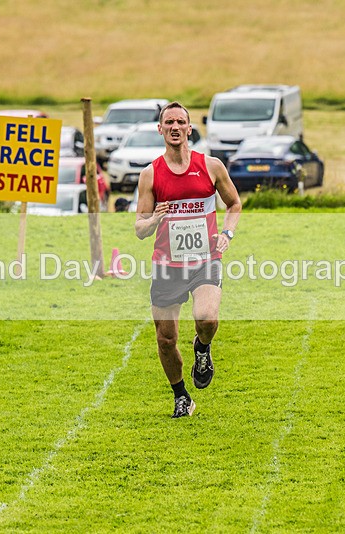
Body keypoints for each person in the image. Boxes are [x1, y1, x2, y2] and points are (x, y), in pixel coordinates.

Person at [134, 101, 241, 418]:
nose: (175, 127)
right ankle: (181, 395)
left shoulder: (211, 166)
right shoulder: (150, 174)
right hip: (167, 265)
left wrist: (227, 234)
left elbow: (234, 204)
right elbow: (139, 228)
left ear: (190, 128)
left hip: (205, 257)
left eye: (181, 122)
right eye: (169, 123)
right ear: (161, 129)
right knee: (166, 340)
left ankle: (203, 348)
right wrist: (153, 220)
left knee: (207, 318)